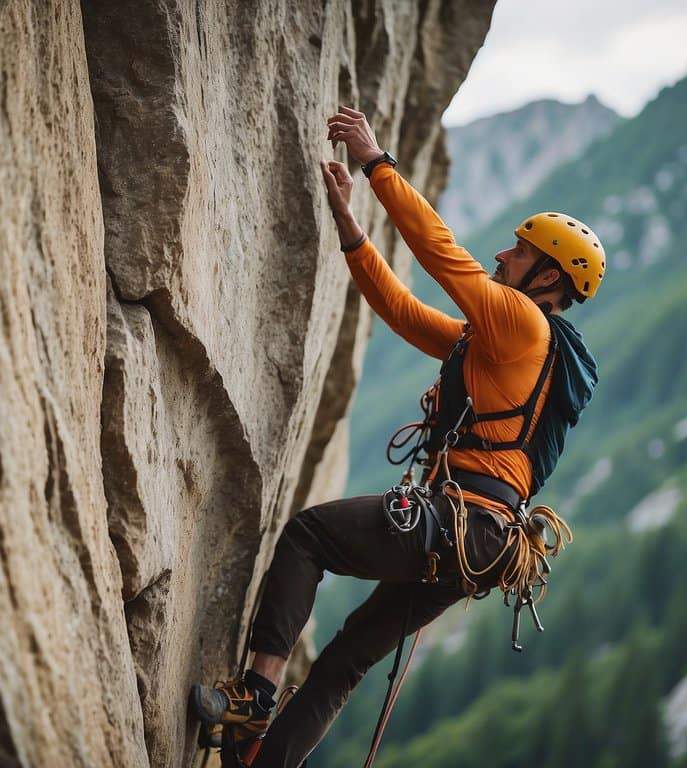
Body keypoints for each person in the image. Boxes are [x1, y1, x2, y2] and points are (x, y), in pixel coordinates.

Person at [189, 106, 602, 768]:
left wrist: (376, 160)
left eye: (520, 251)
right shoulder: (502, 348)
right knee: (348, 661)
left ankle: (256, 697)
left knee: (309, 536)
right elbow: (405, 313)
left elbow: (443, 255)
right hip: (483, 540)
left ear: (549, 277)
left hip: (459, 520)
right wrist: (351, 227)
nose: (503, 253)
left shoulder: (523, 323)